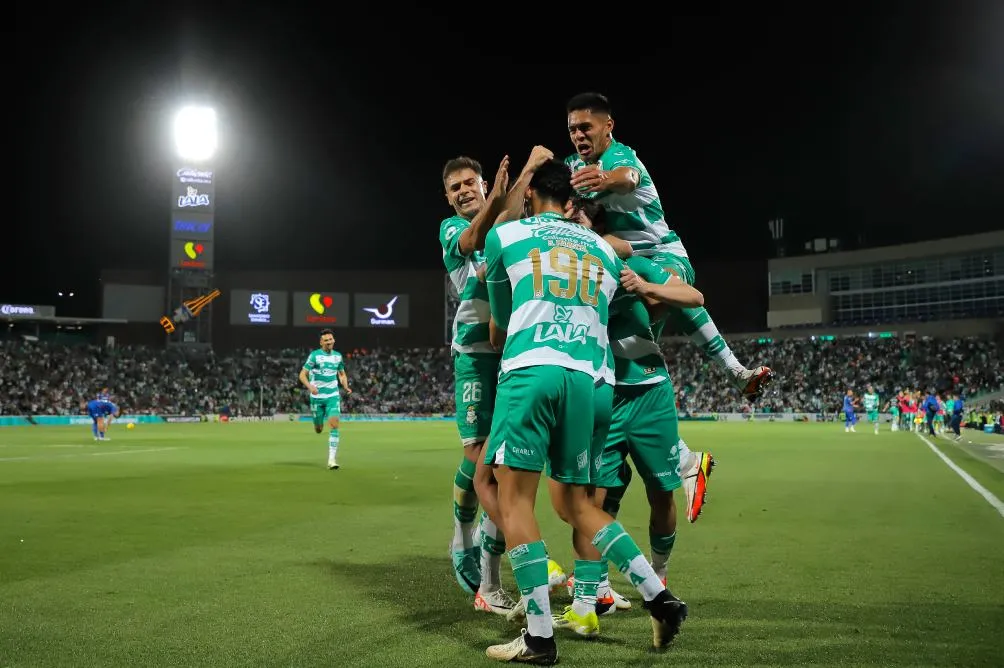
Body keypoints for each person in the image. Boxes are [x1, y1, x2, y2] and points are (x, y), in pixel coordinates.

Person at [482, 159, 687, 664]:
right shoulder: (602, 248)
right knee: (576, 505)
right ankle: (660, 599)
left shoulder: (506, 236)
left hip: (534, 371)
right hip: (595, 382)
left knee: (512, 501)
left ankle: (539, 637)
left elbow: (502, 325)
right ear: (570, 200)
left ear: (530, 196)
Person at [563, 92, 764, 522]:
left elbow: (627, 179)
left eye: (586, 127)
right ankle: (684, 457)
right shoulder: (573, 169)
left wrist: (603, 182)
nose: (579, 135)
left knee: (656, 291)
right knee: (627, 310)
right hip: (626, 255)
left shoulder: (621, 156)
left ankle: (735, 372)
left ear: (608, 126)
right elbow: (558, 195)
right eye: (572, 129)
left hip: (662, 251)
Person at [441, 148, 562, 615]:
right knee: (478, 454)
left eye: (472, 182)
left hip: (512, 350)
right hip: (474, 353)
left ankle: (489, 585)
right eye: (457, 187)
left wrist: (525, 176)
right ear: (449, 198)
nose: (465, 190)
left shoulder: (508, 226)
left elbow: (506, 219)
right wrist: (509, 184)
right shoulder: (451, 229)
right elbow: (474, 240)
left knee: (502, 467)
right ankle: (463, 536)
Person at [298, 329, 352, 469]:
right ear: (321, 342)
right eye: (326, 340)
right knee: (318, 429)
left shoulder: (338, 356)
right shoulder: (315, 356)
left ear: (334, 340)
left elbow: (342, 374)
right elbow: (302, 375)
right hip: (317, 397)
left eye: (331, 339)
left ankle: (332, 460)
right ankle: (317, 422)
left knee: (334, 424)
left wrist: (345, 386)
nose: (329, 342)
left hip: (332, 396)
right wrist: (310, 387)